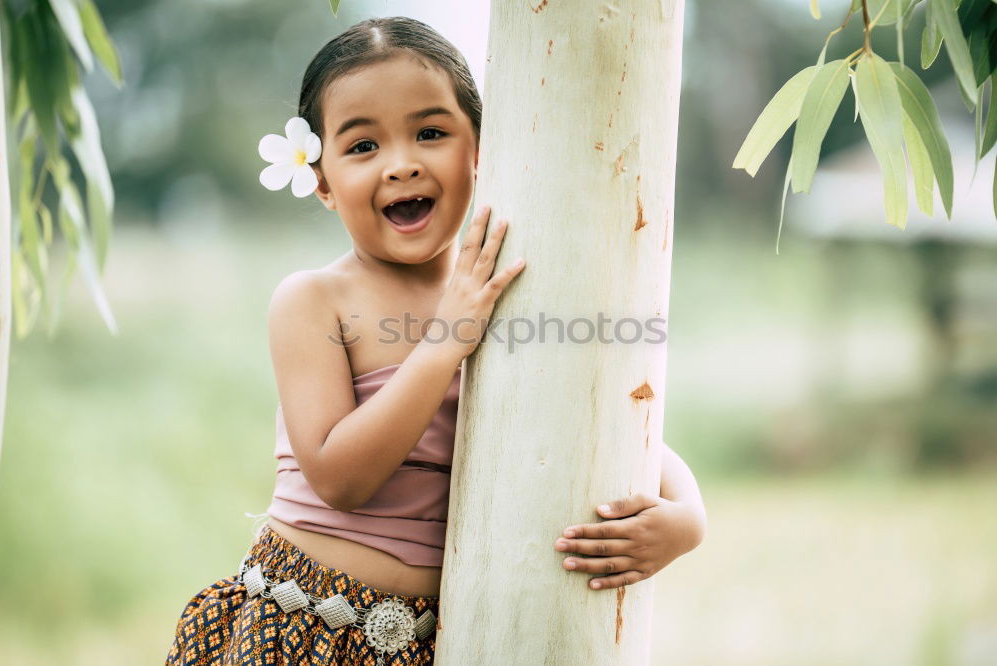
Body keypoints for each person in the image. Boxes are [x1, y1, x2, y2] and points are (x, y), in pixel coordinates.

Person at [165, 15, 707, 666]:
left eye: (430, 133)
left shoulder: (506, 292)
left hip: (440, 642)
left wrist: (687, 518)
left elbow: (593, 410)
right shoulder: (314, 301)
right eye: (363, 146)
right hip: (300, 623)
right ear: (323, 183)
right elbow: (340, 477)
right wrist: (448, 338)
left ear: (479, 149)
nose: (401, 165)